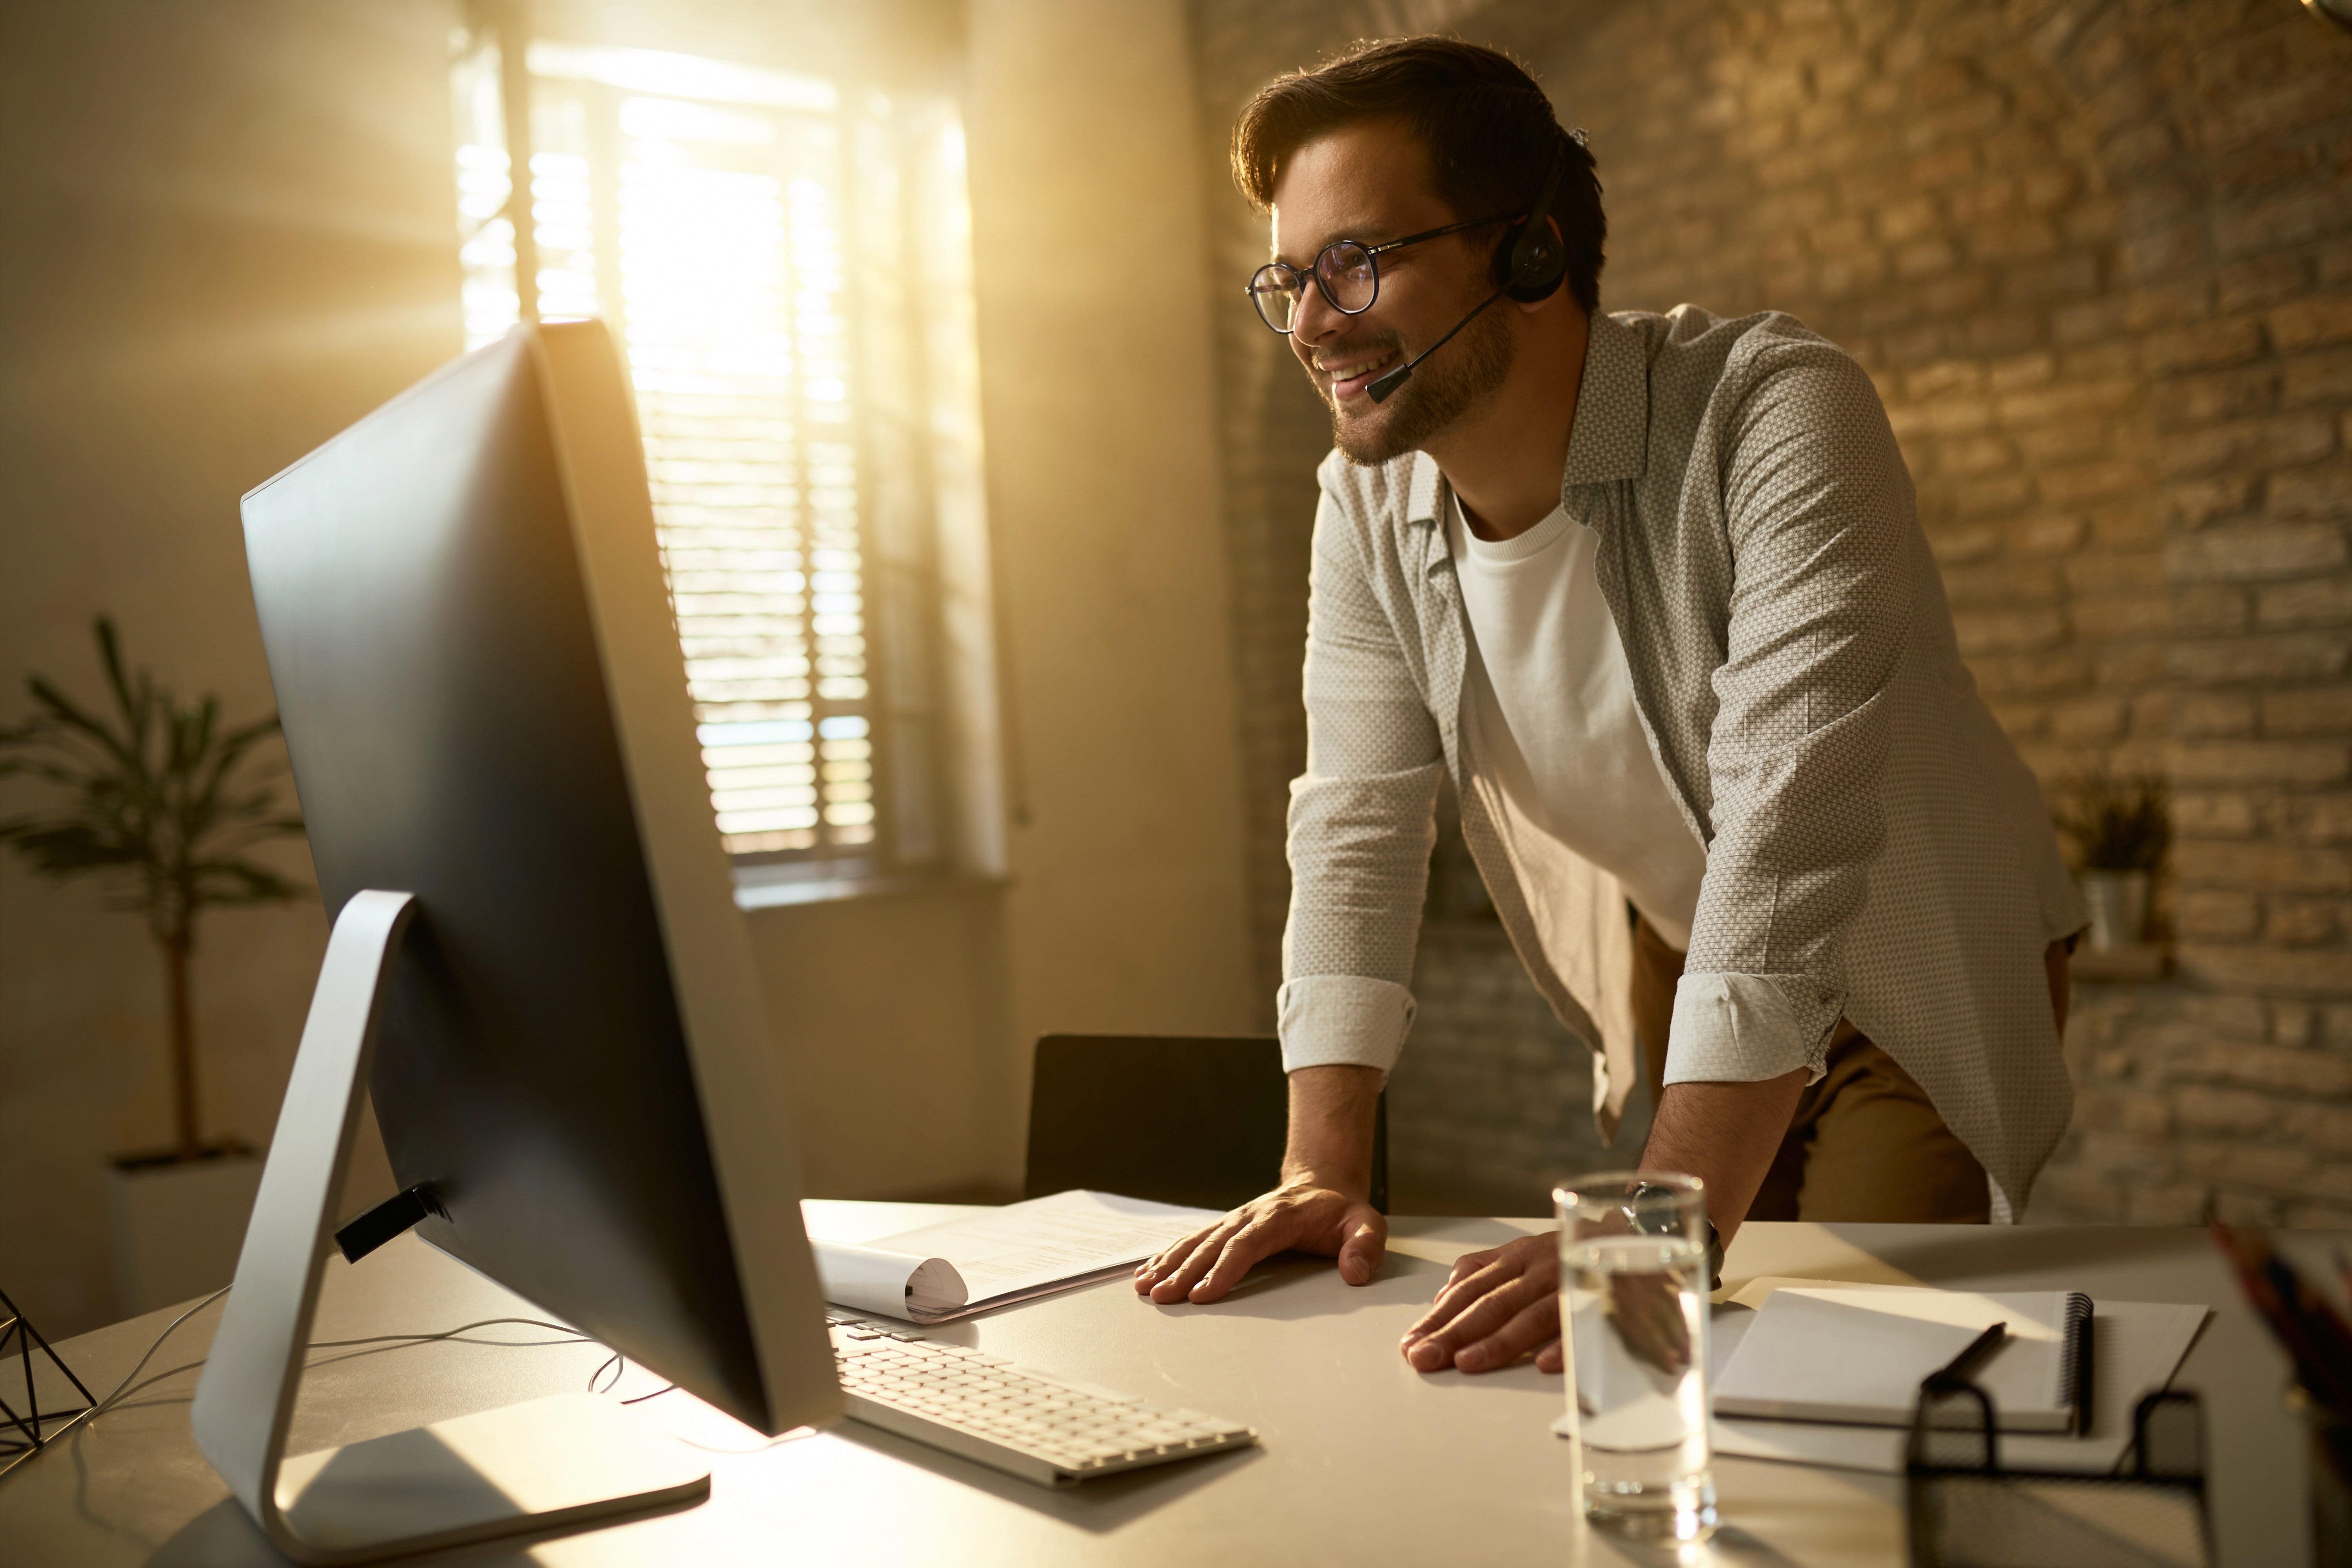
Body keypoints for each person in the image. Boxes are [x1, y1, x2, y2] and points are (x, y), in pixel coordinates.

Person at [1133, 37, 2085, 1377]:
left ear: (1528, 254)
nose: (1308, 323)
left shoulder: (1776, 413)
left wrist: (1654, 1225)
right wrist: (1319, 1168)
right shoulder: (1364, 505)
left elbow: (1790, 830)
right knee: (1672, 1350)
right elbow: (1355, 817)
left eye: (1354, 263)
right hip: (1689, 942)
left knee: (1846, 1376)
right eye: (1290, 279)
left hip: (1901, 943)